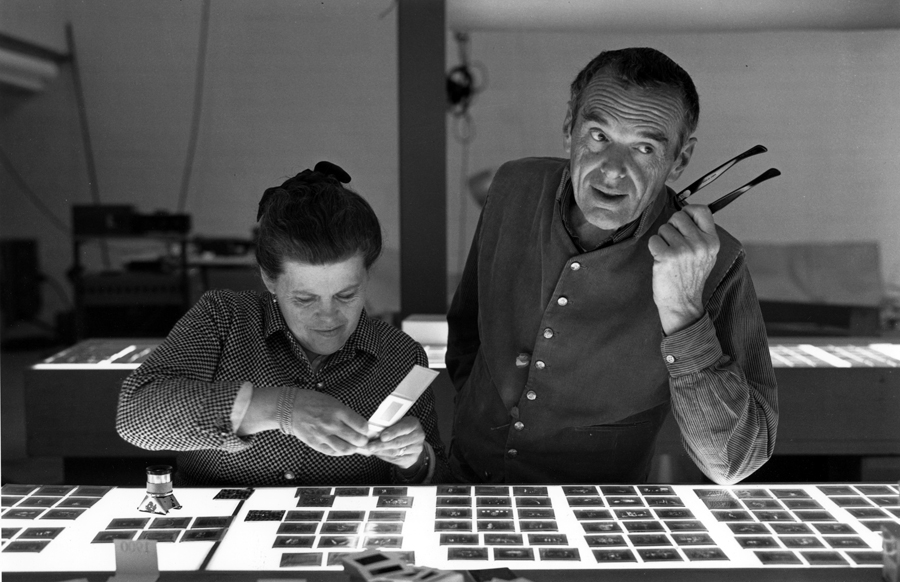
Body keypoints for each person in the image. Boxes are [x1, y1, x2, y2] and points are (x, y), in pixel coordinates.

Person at [446, 47, 778, 485]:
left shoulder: (720, 263)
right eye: (599, 136)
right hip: (463, 487)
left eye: (643, 148)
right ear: (569, 128)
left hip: (597, 516)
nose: (613, 170)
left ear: (679, 160)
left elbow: (734, 463)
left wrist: (683, 314)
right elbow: (468, 332)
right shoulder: (512, 186)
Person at [117, 162, 449, 486]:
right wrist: (282, 407)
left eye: (347, 295)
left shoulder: (402, 357)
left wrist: (413, 460)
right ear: (269, 278)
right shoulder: (224, 319)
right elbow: (136, 414)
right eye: (305, 299)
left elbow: (434, 479)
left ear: (367, 275)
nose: (328, 316)